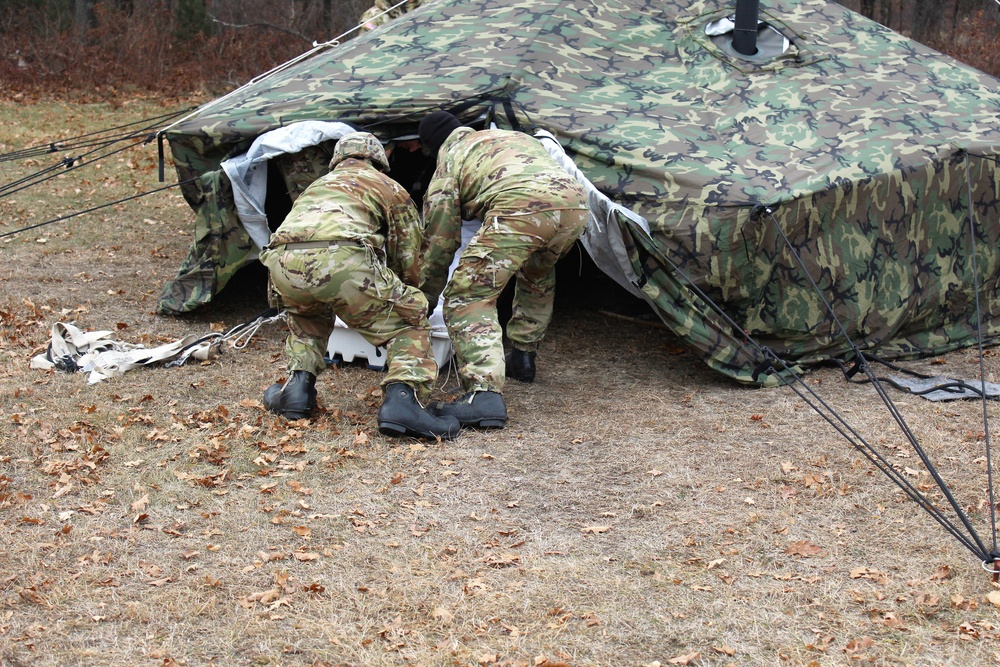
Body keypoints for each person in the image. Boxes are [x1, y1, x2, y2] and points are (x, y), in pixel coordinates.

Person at [259, 131, 460, 440]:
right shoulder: (389, 187)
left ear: (336, 159)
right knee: (410, 318)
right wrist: (408, 296)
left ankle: (296, 392)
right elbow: (407, 255)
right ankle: (403, 401)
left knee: (307, 319)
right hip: (342, 261)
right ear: (381, 159)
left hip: (282, 263)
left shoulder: (317, 186)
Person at [417, 111, 589, 429]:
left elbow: (439, 243)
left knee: (468, 294)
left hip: (521, 205)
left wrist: (424, 298)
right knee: (537, 273)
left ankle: (483, 396)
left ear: (433, 146)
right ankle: (523, 357)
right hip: (575, 204)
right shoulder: (510, 137)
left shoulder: (451, 157)